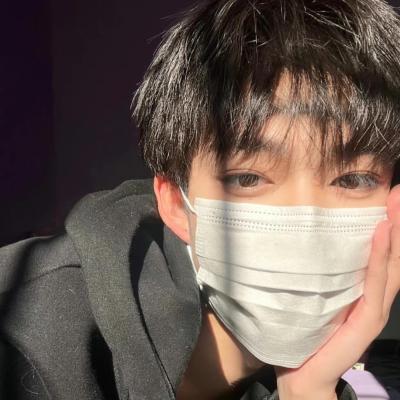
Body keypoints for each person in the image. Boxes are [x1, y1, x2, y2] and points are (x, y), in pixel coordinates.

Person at [1, 0, 400, 399]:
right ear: (177, 202)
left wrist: (307, 390)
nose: (306, 231)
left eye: (353, 179)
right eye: (247, 178)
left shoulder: (321, 381)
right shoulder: (22, 336)